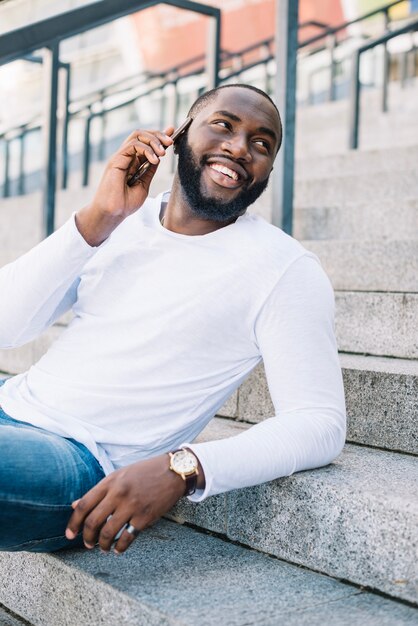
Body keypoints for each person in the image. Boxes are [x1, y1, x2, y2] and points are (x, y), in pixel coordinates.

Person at [0, 84, 346, 555]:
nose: (240, 148)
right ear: (178, 135)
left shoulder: (284, 269)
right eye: (223, 125)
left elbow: (319, 423)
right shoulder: (122, 220)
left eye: (262, 144)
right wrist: (99, 217)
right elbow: (8, 326)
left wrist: (184, 467)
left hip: (79, 463)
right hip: (12, 406)